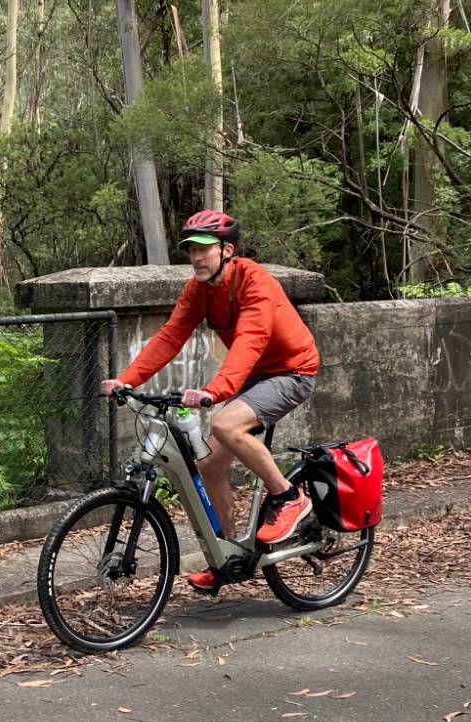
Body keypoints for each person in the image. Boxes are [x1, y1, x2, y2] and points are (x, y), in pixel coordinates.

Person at [99, 209, 320, 594]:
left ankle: (288, 497)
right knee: (210, 464)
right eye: (191, 250)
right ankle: (227, 556)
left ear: (227, 250)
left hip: (291, 371)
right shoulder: (199, 289)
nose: (197, 258)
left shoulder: (255, 281)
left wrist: (214, 390)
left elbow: (251, 338)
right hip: (255, 376)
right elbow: (170, 337)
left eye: (204, 249)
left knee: (224, 424)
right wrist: (125, 379)